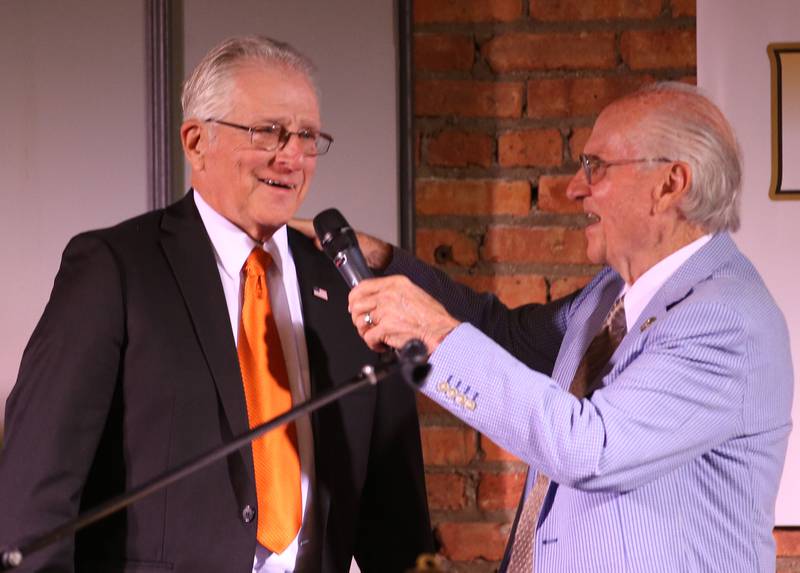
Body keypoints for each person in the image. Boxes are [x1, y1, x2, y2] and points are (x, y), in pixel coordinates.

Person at [0, 36, 433, 572]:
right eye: (268, 131)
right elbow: (35, 496)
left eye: (306, 135)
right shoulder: (115, 269)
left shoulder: (350, 286)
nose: (292, 156)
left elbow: (397, 524)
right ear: (195, 141)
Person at [342, 83, 793, 571]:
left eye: (596, 167)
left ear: (670, 184)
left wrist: (433, 334)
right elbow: (508, 338)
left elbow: (591, 449)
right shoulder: (609, 294)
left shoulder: (726, 319)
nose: (573, 188)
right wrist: (382, 261)